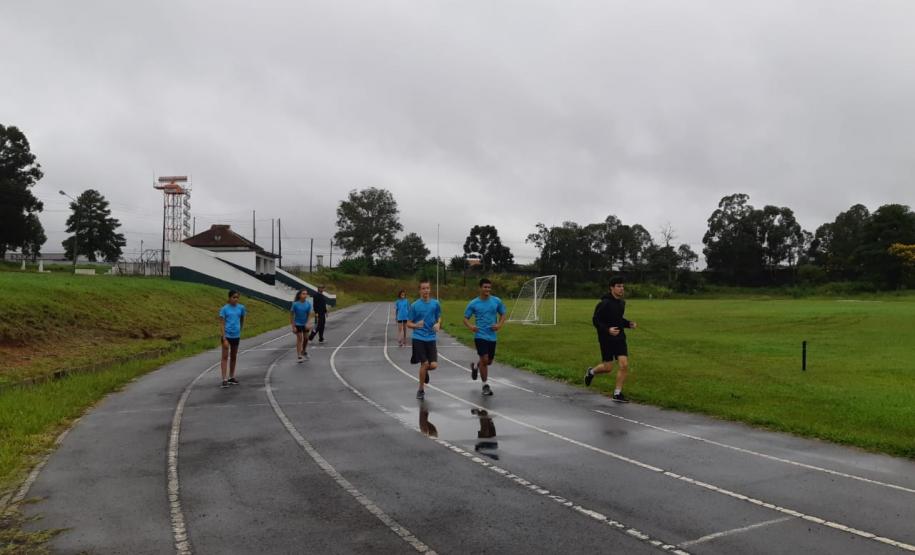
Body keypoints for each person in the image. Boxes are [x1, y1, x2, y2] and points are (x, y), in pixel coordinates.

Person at [584, 276, 637, 402]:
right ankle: (591, 372)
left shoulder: (621, 303)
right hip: (606, 338)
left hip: (619, 337)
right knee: (608, 368)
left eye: (622, 286)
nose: (621, 289)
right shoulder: (604, 303)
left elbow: (618, 319)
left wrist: (628, 323)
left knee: (624, 364)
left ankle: (617, 393)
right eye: (618, 286)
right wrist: (608, 330)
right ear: (612, 288)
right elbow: (596, 320)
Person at [462, 278, 506, 396]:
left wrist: (499, 325)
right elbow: (465, 318)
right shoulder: (473, 303)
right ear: (480, 288)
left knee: (489, 361)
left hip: (492, 336)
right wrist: (471, 327)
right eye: (485, 287)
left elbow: (503, 314)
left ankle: (476, 366)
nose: (487, 289)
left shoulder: (496, 301)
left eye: (489, 287)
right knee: (485, 360)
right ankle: (485, 385)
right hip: (480, 335)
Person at [407, 279, 442, 401]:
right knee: (425, 363)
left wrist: (438, 324)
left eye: (427, 288)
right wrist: (416, 325)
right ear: (420, 290)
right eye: (423, 288)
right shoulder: (415, 305)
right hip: (418, 338)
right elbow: (408, 323)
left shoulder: (435, 304)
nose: (426, 290)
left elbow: (439, 318)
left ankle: (424, 371)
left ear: (430, 289)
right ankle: (421, 389)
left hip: (431, 337)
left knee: (433, 365)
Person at [218, 289, 246, 388]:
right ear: (229, 298)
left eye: (237, 297)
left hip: (236, 335)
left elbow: (242, 318)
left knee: (234, 356)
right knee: (225, 357)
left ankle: (231, 377)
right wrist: (224, 337)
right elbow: (221, 323)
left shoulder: (241, 308)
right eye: (234, 297)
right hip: (227, 336)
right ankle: (224, 379)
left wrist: (241, 329)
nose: (235, 299)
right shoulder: (224, 309)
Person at [290, 289, 313, 362]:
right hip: (298, 324)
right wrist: (293, 327)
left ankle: (304, 351)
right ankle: (299, 355)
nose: (305, 295)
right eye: (303, 294)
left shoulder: (308, 304)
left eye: (306, 294)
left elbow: (309, 315)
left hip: (305, 323)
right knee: (300, 339)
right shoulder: (295, 304)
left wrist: (308, 323)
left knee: (306, 338)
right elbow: (292, 316)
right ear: (300, 295)